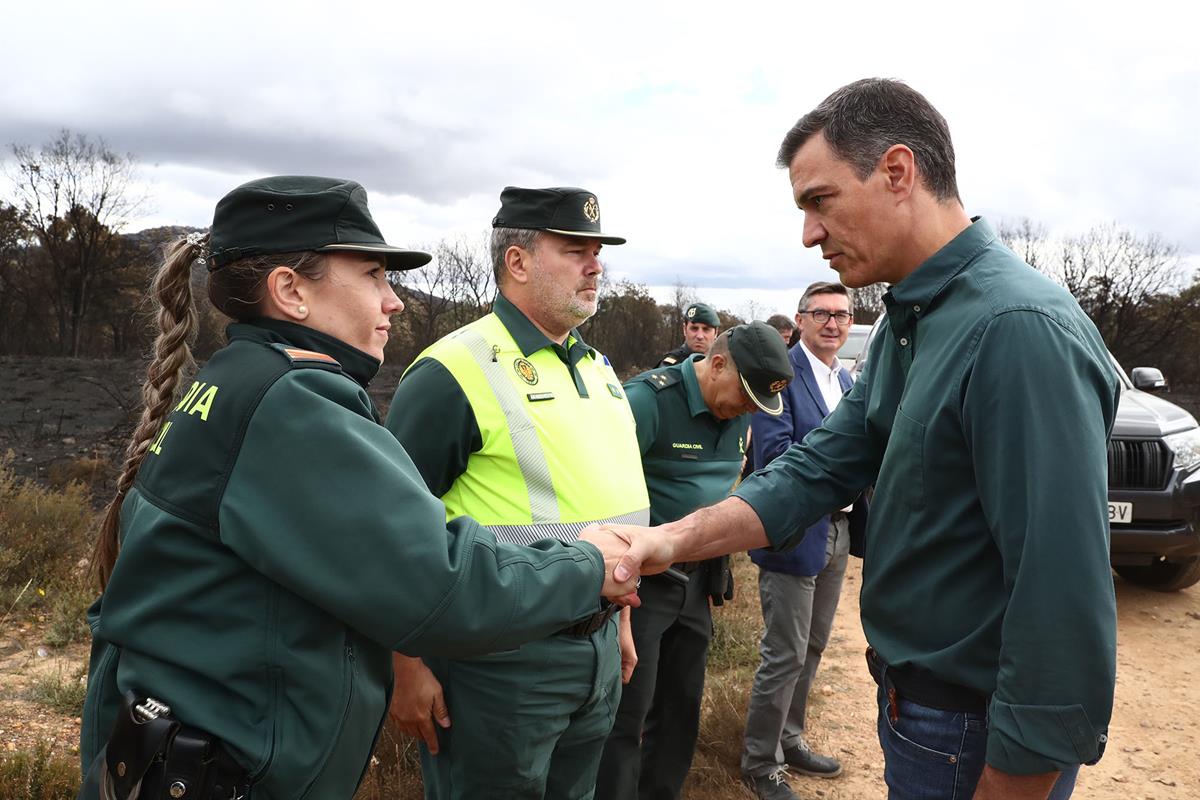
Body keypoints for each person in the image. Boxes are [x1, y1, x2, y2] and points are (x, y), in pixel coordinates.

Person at [598, 78, 1119, 800]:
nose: (809, 233)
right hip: (919, 712)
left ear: (898, 173)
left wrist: (1020, 775)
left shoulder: (1015, 331)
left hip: (972, 733)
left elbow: (1060, 595)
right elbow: (815, 468)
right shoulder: (916, 323)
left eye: (820, 200)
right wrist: (670, 541)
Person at [77, 176, 646, 800]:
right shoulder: (292, 404)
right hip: (228, 767)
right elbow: (441, 585)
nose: (394, 301)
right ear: (291, 291)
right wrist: (590, 565)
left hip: (179, 751)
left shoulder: (237, 380)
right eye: (374, 275)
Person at [384, 186, 650, 799]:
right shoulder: (453, 370)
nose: (595, 264)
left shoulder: (600, 370)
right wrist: (406, 663)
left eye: (598, 251)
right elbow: (392, 536)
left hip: (599, 645)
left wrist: (620, 616)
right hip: (499, 663)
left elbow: (608, 510)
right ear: (518, 262)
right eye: (575, 249)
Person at [597, 321, 793, 800]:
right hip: (639, 584)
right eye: (746, 396)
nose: (749, 410)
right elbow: (597, 495)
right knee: (627, 713)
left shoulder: (740, 410)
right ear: (717, 363)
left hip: (698, 580)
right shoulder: (647, 401)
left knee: (681, 707)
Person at [741, 282, 866, 800]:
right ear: (801, 320)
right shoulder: (781, 379)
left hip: (837, 529)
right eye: (822, 314)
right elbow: (775, 456)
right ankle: (759, 762)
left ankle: (789, 738)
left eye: (842, 315)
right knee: (785, 652)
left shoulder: (847, 379)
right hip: (796, 531)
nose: (833, 324)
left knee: (812, 646)